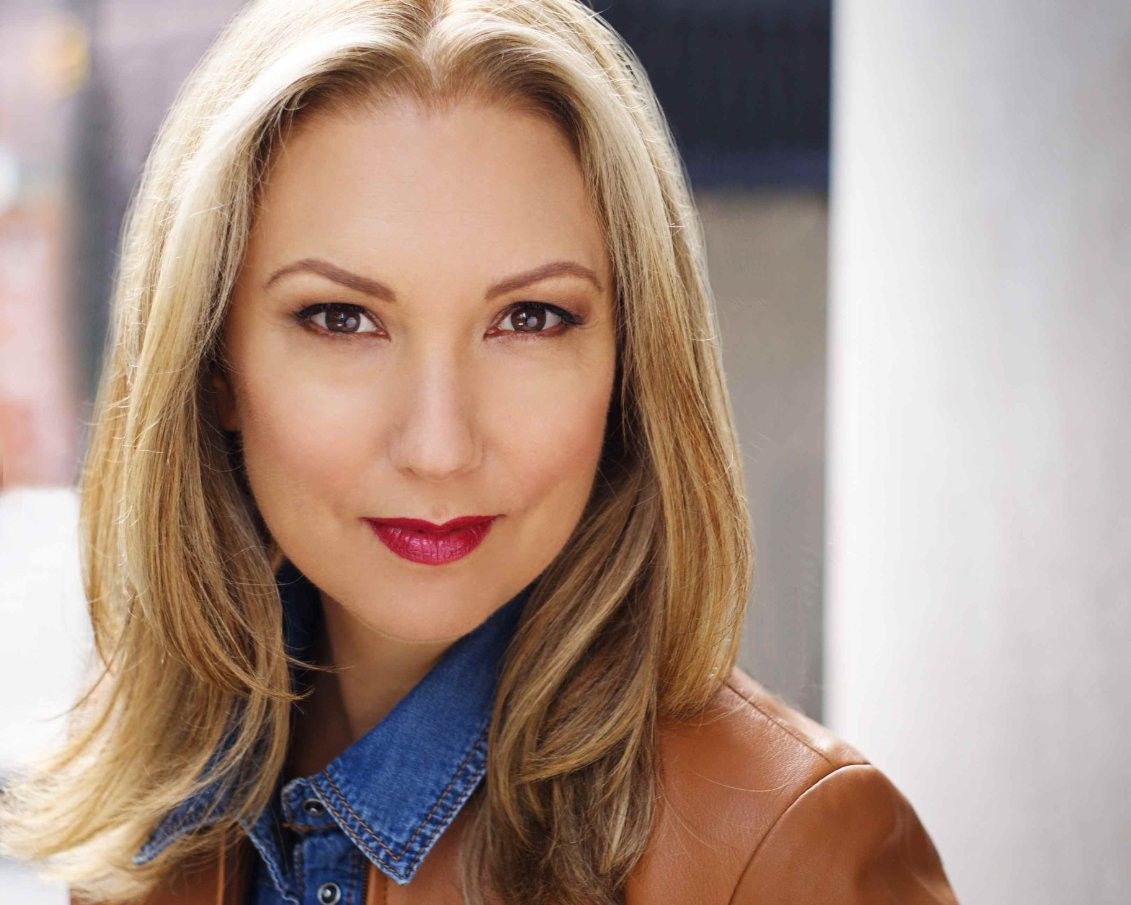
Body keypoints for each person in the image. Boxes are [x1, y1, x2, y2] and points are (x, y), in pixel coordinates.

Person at [0, 1, 960, 903]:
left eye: (529, 318)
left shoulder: (790, 850)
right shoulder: (158, 801)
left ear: (630, 361)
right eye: (342, 318)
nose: (438, 446)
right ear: (214, 361)